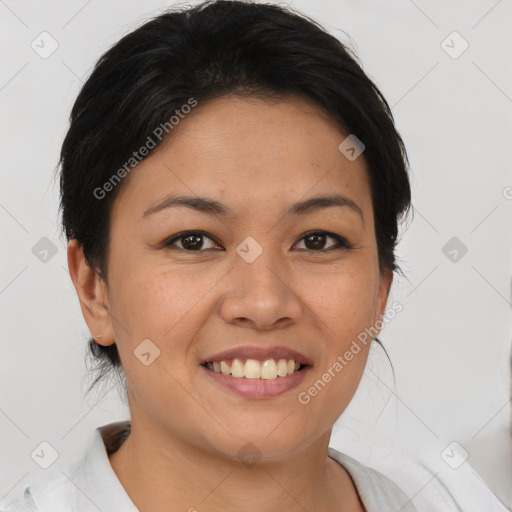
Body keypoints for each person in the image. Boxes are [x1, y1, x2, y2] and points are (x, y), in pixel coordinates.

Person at [1, 1, 507, 511]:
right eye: (193, 240)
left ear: (381, 287)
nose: (264, 303)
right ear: (95, 290)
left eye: (317, 240)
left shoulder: (458, 499)